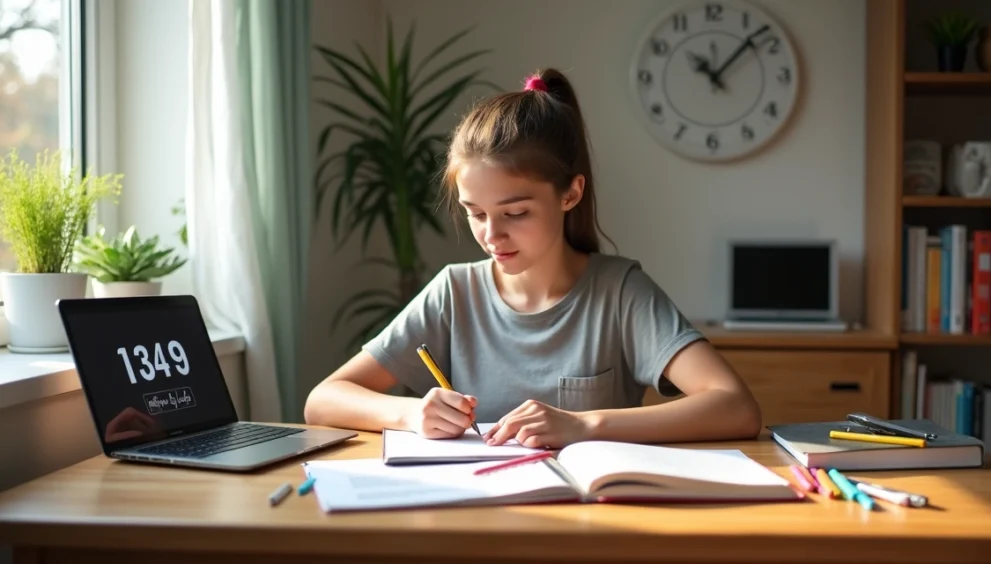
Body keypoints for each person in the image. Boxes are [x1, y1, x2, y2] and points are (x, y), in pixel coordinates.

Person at [304, 68, 762, 448]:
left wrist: (585, 425)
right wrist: (411, 413)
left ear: (571, 193)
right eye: (474, 213)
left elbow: (736, 407)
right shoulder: (454, 291)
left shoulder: (620, 291)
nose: (491, 234)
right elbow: (323, 400)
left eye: (515, 212)